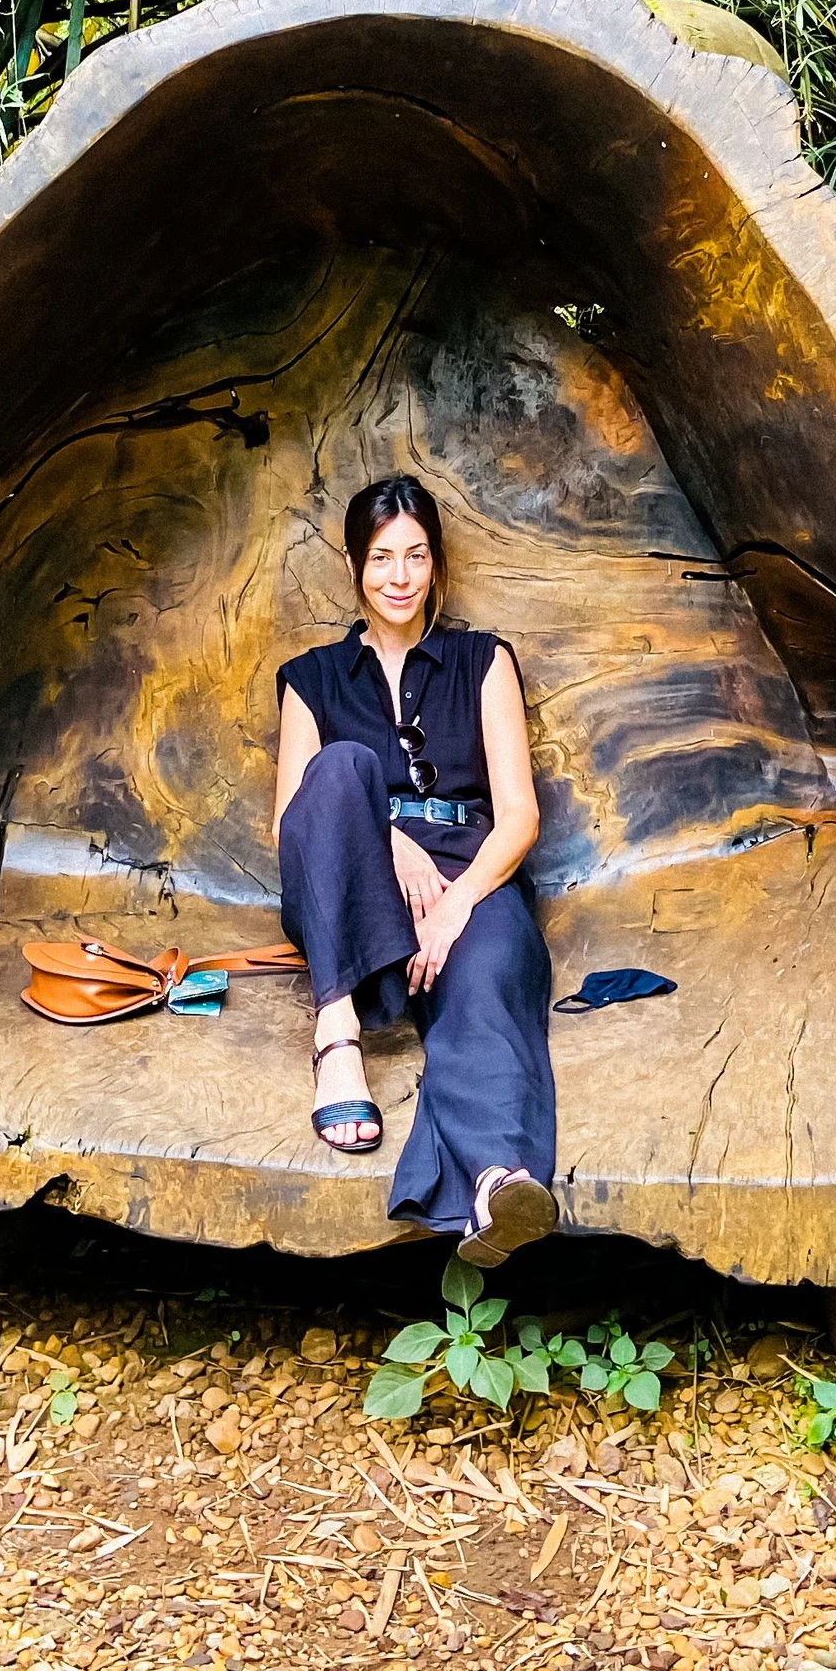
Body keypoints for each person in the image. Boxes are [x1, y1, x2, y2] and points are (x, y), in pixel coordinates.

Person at [271, 475, 559, 1268]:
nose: (400, 576)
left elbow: (521, 817)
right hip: (353, 897)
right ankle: (338, 1040)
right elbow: (289, 822)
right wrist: (386, 837)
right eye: (382, 557)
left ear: (436, 563)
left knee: (491, 985)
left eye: (416, 556)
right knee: (341, 769)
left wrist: (459, 901)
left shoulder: (483, 660)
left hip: (473, 876)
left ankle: (497, 1183)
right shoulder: (312, 677)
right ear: (356, 566)